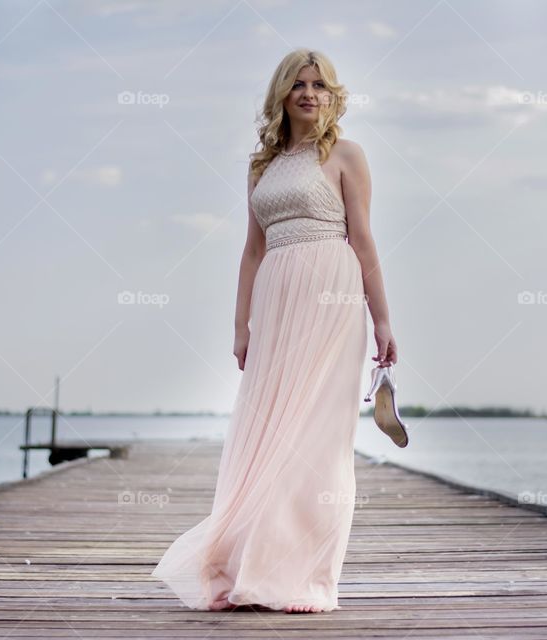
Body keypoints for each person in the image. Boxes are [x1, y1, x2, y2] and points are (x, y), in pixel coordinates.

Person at [151, 47, 398, 614]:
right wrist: (241, 324)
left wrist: (382, 317)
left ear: (333, 96)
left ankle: (303, 576)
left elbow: (363, 241)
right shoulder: (261, 165)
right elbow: (252, 249)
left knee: (315, 435)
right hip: (276, 300)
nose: (310, 94)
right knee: (265, 432)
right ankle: (251, 563)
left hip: (332, 298)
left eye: (320, 85)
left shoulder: (347, 156)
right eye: (299, 85)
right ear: (282, 95)